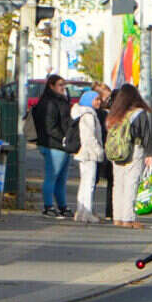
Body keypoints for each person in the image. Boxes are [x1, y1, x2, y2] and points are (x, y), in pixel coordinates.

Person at [105, 83, 152, 228]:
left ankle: (117, 217)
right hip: (134, 150)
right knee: (131, 184)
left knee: (118, 184)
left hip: (116, 152)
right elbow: (145, 135)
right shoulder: (138, 113)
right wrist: (149, 154)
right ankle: (129, 218)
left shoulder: (114, 113)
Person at [32, 74, 73, 218]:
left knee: (61, 178)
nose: (63, 88)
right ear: (51, 86)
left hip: (61, 145)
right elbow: (49, 127)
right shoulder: (49, 103)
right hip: (53, 144)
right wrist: (64, 138)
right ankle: (48, 205)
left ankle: (62, 206)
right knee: (52, 176)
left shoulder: (60, 100)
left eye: (64, 85)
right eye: (60, 85)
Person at [71, 90, 104, 223]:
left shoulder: (82, 113)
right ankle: (87, 211)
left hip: (82, 152)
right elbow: (90, 137)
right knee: (88, 183)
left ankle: (81, 211)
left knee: (84, 182)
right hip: (89, 153)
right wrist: (99, 150)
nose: (99, 102)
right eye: (96, 99)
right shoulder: (89, 115)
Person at [91, 82, 115, 219]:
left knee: (111, 180)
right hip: (98, 149)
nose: (106, 100)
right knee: (92, 181)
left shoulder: (108, 111)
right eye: (103, 97)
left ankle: (109, 212)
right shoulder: (94, 113)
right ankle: (90, 209)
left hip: (108, 149)